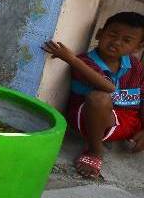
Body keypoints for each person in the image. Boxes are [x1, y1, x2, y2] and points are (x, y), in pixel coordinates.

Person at [44, 11, 144, 178]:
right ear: (99, 33)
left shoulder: (134, 65)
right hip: (92, 121)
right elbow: (108, 87)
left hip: (127, 121)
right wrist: (73, 60)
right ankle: (94, 151)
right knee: (99, 98)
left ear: (137, 47)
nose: (116, 42)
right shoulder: (85, 62)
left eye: (126, 40)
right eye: (112, 34)